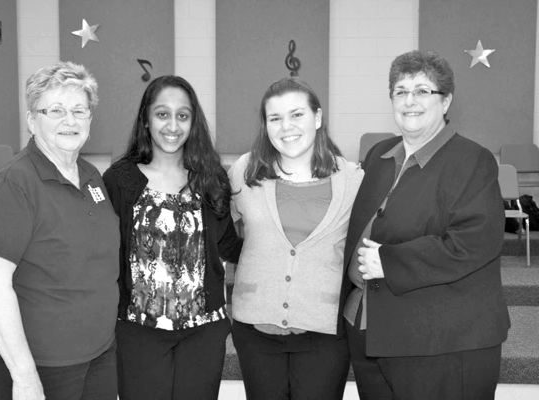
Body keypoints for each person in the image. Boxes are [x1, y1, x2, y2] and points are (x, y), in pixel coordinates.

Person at [342, 49, 511, 400]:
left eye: (423, 91)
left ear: (446, 101)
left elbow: (474, 243)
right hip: (371, 331)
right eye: (400, 91)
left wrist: (388, 262)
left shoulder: (473, 161)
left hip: (442, 344)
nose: (410, 101)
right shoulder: (379, 155)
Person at [0, 61, 119, 400]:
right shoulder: (14, 182)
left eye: (80, 111)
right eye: (56, 110)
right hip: (34, 363)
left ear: (91, 120)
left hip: (97, 353)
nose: (70, 120)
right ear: (32, 120)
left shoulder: (92, 176)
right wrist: (23, 377)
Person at [102, 75, 243, 400]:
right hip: (139, 331)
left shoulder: (211, 178)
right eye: (162, 113)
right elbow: (104, 252)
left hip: (203, 333)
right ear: (146, 119)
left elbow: (228, 246)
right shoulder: (120, 180)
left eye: (183, 115)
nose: (172, 124)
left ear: (193, 122)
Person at [228, 77, 363, 399]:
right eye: (275, 118)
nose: (286, 126)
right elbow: (222, 235)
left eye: (296, 115)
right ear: (265, 125)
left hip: (324, 333)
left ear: (317, 118)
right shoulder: (243, 173)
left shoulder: (354, 179)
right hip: (255, 332)